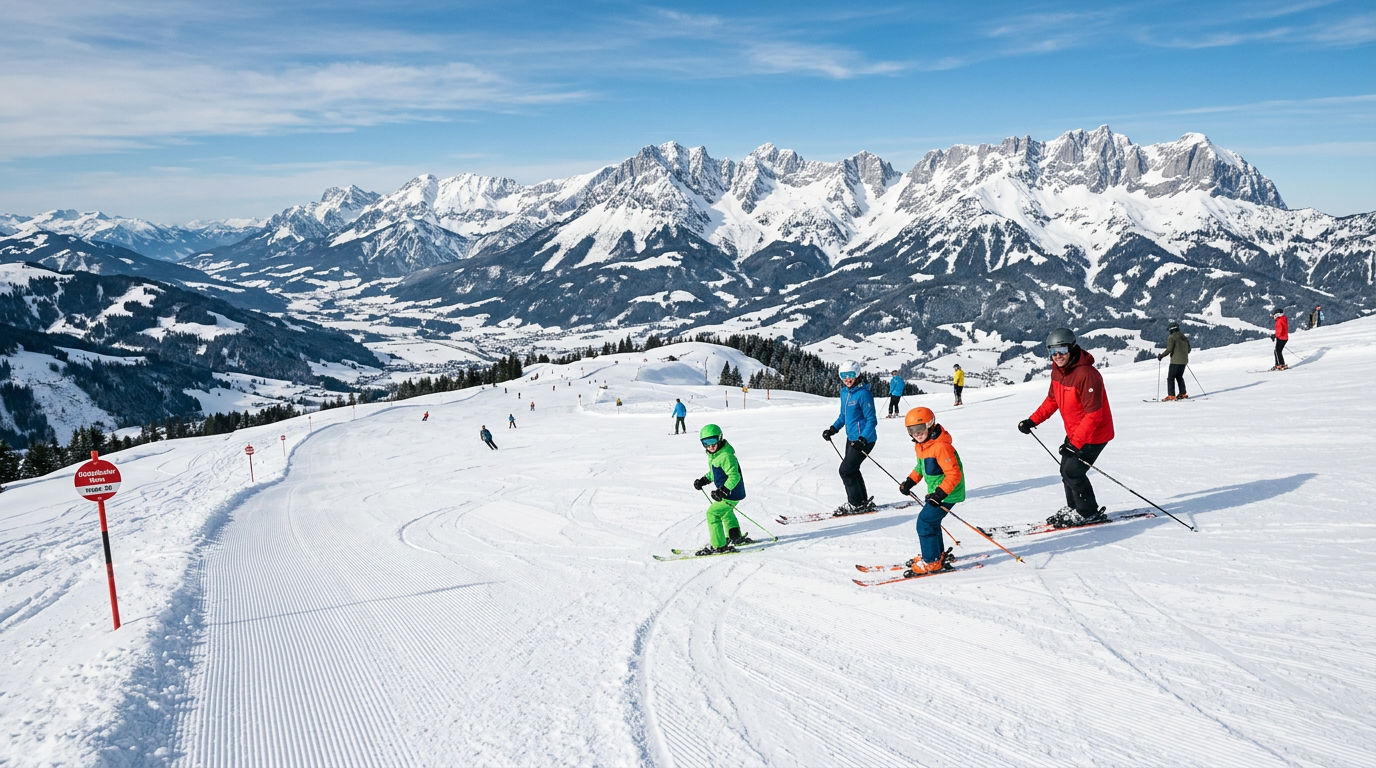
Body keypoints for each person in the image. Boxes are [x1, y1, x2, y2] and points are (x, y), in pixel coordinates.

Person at [1017, 328, 1115, 528]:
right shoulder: (1058, 372)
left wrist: (1075, 444)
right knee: (1065, 471)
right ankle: (1074, 508)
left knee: (1073, 472)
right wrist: (1032, 421)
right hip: (1075, 432)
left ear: (1072, 348)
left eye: (1062, 350)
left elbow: (1094, 415)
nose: (1057, 356)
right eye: (1052, 351)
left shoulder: (1087, 375)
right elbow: (1052, 400)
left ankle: (1088, 512)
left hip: (1094, 434)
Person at [897, 407, 966, 575]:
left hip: (949, 493)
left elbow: (954, 474)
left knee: (925, 522)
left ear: (930, 425)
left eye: (920, 428)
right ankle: (936, 555)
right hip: (938, 493)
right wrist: (909, 482)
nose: (917, 433)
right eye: (912, 430)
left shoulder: (941, 447)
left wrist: (940, 495)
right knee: (932, 522)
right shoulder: (922, 446)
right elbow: (920, 468)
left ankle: (931, 561)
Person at [822, 360, 878, 516]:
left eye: (851, 374)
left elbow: (871, 420)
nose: (847, 378)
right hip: (852, 438)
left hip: (865, 440)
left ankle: (855, 504)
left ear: (857, 374)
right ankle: (862, 502)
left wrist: (863, 439)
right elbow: (843, 416)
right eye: (843, 375)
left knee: (845, 471)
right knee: (853, 469)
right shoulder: (844, 393)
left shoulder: (864, 394)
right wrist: (833, 429)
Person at [690, 424, 751, 555]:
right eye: (706, 443)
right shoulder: (716, 455)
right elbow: (714, 473)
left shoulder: (726, 456)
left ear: (720, 438)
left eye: (713, 441)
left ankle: (719, 546)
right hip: (731, 492)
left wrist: (723, 490)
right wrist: (703, 480)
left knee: (712, 514)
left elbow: (734, 476)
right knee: (726, 513)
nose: (710, 446)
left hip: (731, 492)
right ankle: (735, 536)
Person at [1157, 321, 1191, 400]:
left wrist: (1161, 356)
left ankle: (1171, 396)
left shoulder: (1172, 337)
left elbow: (1169, 349)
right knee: (1179, 377)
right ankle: (1183, 394)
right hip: (1184, 361)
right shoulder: (1184, 337)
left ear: (1171, 330)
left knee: (1171, 378)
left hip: (1175, 362)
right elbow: (1189, 350)